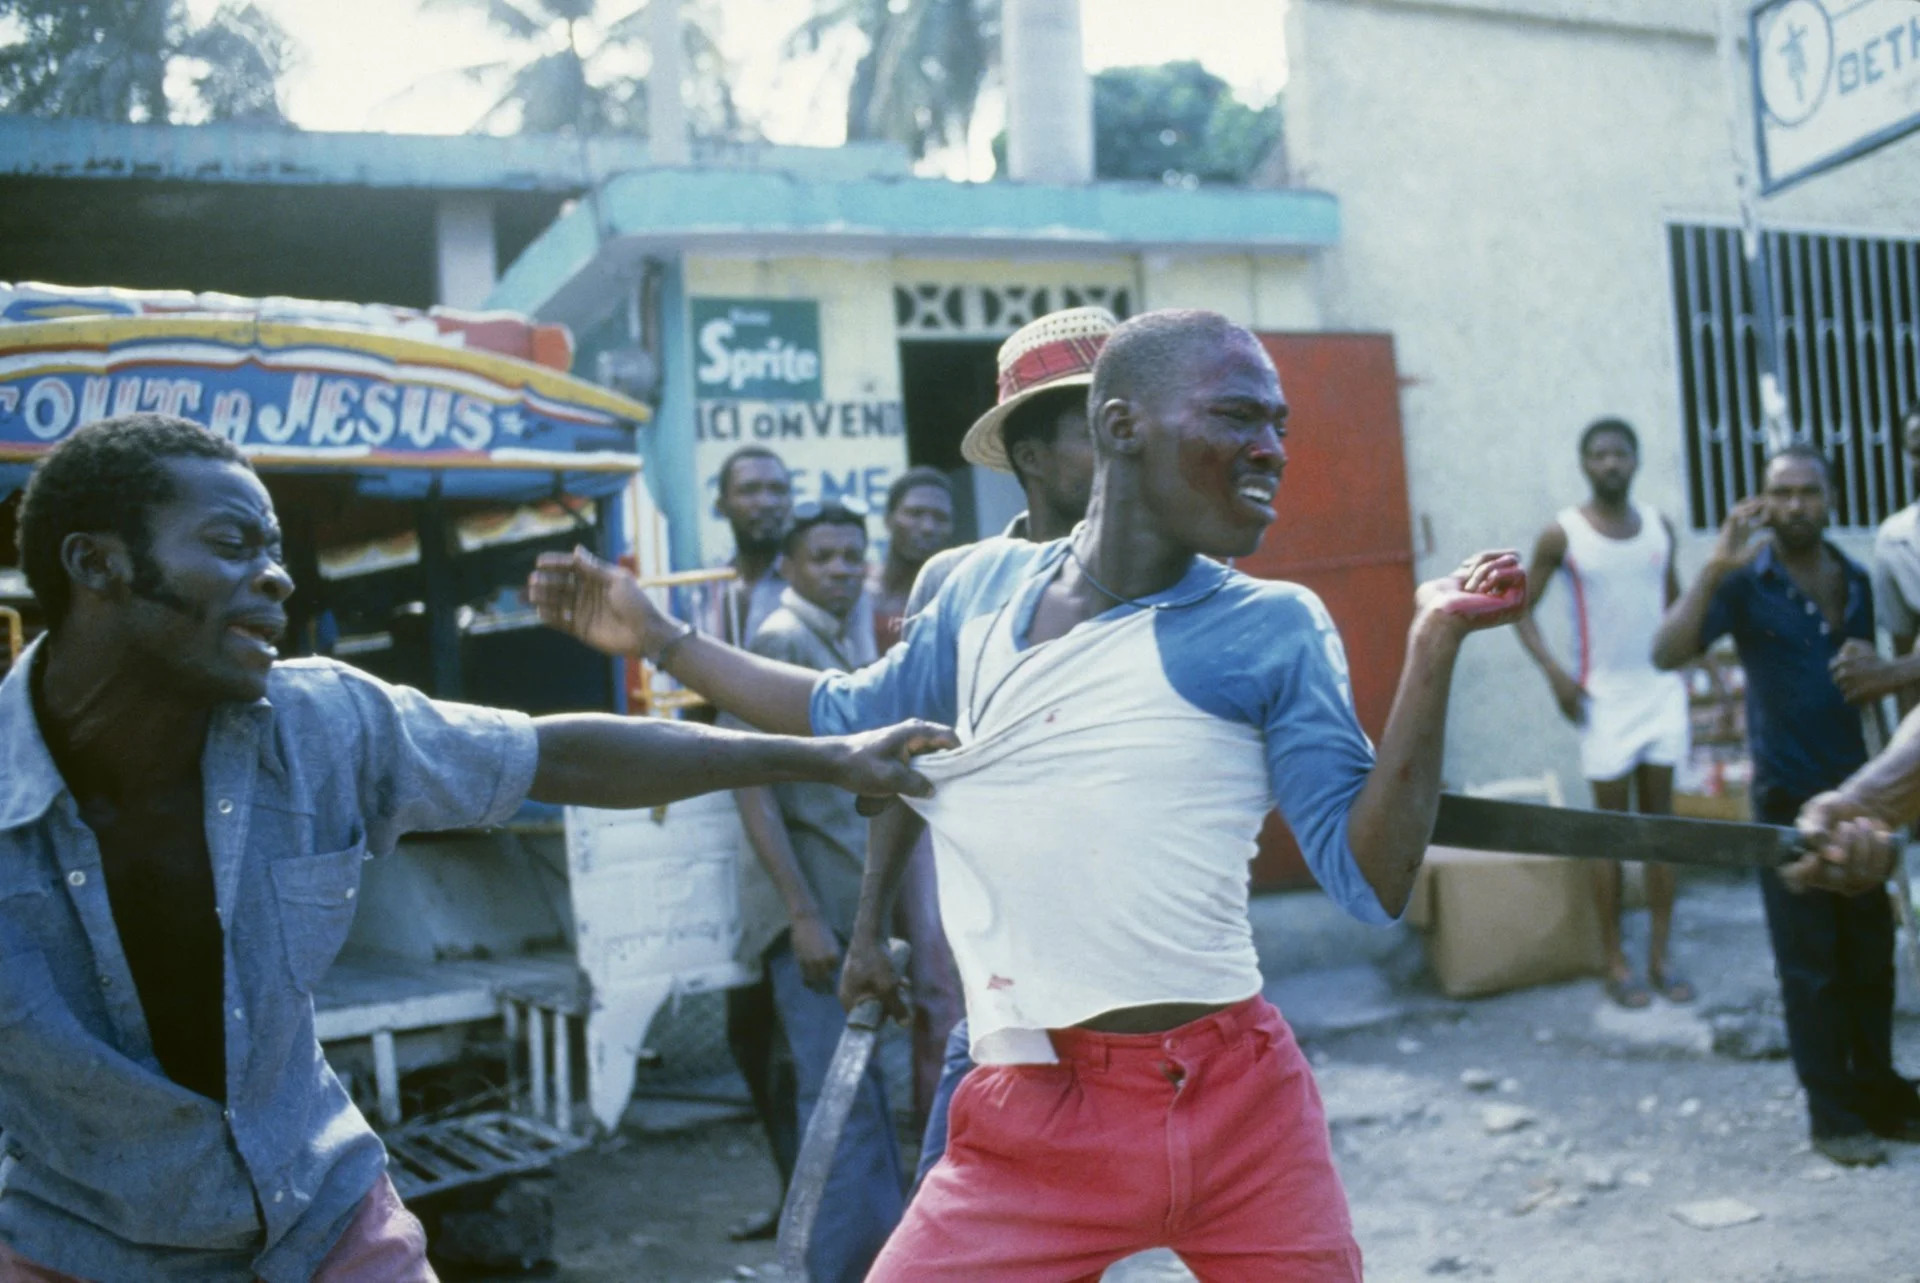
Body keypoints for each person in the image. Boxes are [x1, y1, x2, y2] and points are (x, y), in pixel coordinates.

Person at [530, 309, 1527, 1280]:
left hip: (1236, 1101)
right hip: (1032, 1098)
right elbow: (847, 717)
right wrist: (661, 638)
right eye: (1238, 416)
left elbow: (1369, 881)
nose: (1271, 448)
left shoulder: (1271, 628)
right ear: (1119, 425)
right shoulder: (973, 594)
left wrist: (1433, 643)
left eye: (1281, 425)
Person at [0, 415, 949, 1283]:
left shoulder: (320, 722)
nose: (278, 576)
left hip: (327, 1223)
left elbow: (560, 752)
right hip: (84, 1251)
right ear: (97, 564)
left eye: (278, 549)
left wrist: (828, 756)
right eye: (231, 544)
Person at [876, 304, 1110, 1188]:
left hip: (1133, 973)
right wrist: (870, 931)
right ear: (1030, 457)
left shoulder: (1177, 583)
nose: (1126, 452)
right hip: (1002, 973)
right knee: (966, 1192)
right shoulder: (959, 581)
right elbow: (901, 757)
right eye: (1098, 431)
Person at [1653, 445, 1920, 1168]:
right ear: (1762, 502)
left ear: (1830, 498)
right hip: (1783, 800)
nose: (1796, 505)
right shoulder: (1743, 584)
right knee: (1811, 967)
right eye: (1782, 493)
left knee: (1870, 956)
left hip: (1864, 796)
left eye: (1809, 492)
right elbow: (1665, 651)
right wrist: (1713, 566)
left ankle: (1882, 1093)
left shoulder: (1857, 579)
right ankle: (1833, 1117)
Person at [726, 500, 903, 1283]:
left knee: (858, 1099)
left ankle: (878, 1263)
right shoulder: (780, 637)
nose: (840, 569)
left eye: (851, 556)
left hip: (842, 911)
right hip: (815, 919)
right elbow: (753, 789)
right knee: (840, 1109)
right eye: (822, 556)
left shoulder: (840, 636)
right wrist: (801, 915)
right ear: (789, 568)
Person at [1514, 418, 1691, 1007]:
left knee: (1661, 831)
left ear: (1636, 461)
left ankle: (1662, 957)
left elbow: (1677, 606)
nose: (1610, 464)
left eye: (1620, 454)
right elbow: (1519, 608)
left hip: (1660, 691)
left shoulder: (1659, 528)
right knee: (1612, 834)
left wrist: (1703, 667)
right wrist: (1557, 676)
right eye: (1599, 455)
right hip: (1603, 698)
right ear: (1584, 463)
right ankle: (1616, 961)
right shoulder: (1562, 534)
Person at [1841, 400, 1920, 714]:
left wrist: (1893, 673)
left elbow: (1899, 670)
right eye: (1918, 451)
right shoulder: (1896, 539)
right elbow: (1903, 644)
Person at [868, 467, 954, 654]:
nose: (928, 528)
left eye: (940, 517)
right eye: (915, 513)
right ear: (888, 519)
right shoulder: (855, 584)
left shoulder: (951, 599)